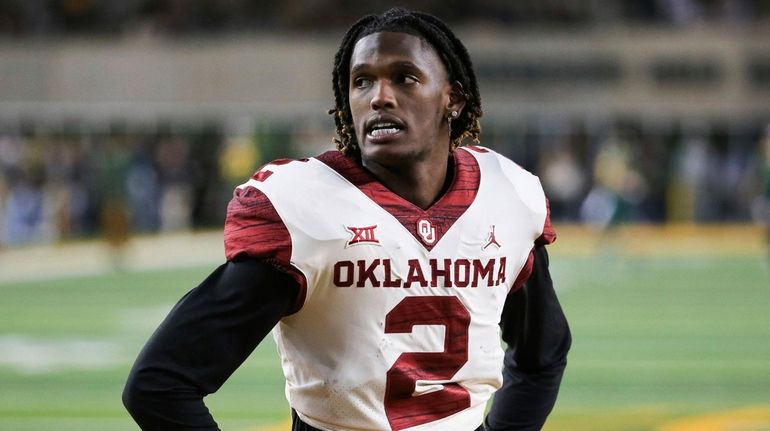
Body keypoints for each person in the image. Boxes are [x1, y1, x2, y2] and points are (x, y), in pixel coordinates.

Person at [123, 8, 571, 431]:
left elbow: (542, 355)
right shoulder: (307, 208)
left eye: (405, 78)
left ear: (452, 98)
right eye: (361, 82)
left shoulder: (505, 196)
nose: (379, 97)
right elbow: (159, 384)